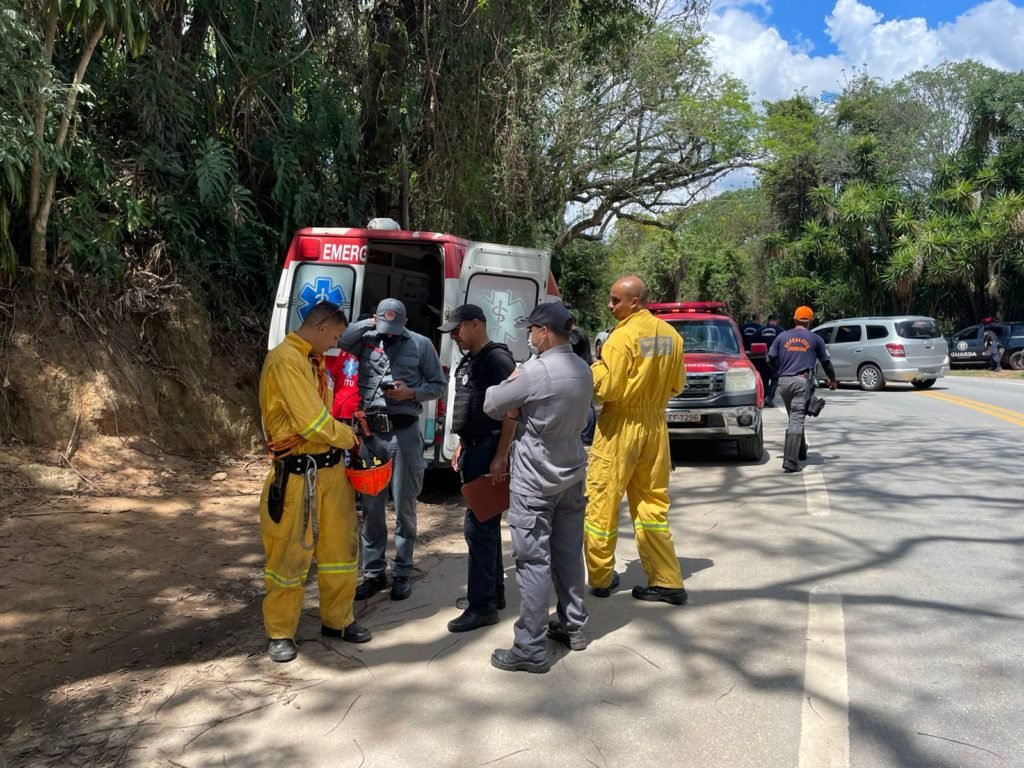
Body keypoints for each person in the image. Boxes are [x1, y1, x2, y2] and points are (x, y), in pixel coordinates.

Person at [258, 301, 371, 663]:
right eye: (336, 335)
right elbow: (311, 422)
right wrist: (348, 436)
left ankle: (337, 619)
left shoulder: (313, 360)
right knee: (288, 556)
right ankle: (280, 632)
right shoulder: (285, 360)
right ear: (322, 328)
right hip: (296, 475)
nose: (336, 343)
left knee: (340, 551)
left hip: (331, 472)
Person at [483, 302, 593, 673]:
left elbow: (492, 403)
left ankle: (530, 647)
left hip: (536, 480)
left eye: (531, 329)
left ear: (543, 332)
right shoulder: (582, 367)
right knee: (567, 553)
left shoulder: (534, 371)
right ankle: (573, 625)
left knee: (532, 561)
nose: (529, 335)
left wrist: (512, 398)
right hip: (572, 473)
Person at [584, 276, 689, 606]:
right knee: (651, 504)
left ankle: (601, 578)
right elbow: (677, 385)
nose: (610, 305)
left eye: (616, 300)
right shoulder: (671, 337)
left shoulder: (620, 338)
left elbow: (608, 390)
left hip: (620, 426)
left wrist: (593, 371)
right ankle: (667, 580)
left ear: (635, 302)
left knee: (603, 500)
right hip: (655, 427)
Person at [339, 298, 447, 601]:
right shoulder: (366, 338)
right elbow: (342, 341)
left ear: (405, 323)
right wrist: (369, 323)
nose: (388, 335)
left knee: (404, 508)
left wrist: (411, 391)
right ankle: (373, 572)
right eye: (384, 327)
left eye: (394, 328)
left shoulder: (422, 345)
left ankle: (402, 571)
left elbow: (439, 385)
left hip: (405, 434)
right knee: (371, 509)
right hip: (371, 435)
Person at [439, 304, 518, 633]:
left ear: (476, 324)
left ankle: (482, 605)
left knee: (479, 529)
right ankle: (491, 593)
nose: (454, 336)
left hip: (488, 451)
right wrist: (461, 441)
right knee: (484, 526)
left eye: (458, 329)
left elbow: (512, 409)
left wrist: (501, 454)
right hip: (474, 447)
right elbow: (473, 406)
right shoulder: (472, 359)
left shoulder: (496, 359)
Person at [767, 305, 837, 473]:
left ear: (795, 319)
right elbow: (826, 362)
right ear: (810, 321)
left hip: (784, 383)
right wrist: (833, 380)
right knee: (797, 419)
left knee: (795, 416)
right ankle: (790, 461)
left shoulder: (782, 337)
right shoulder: (815, 339)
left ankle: (800, 451)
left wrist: (780, 372)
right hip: (801, 382)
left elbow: (769, 359)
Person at [757, 314, 782, 406]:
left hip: (761, 358)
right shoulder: (780, 331)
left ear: (768, 320)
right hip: (775, 359)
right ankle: (769, 397)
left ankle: (764, 398)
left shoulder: (760, 330)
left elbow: (752, 341)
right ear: (776, 320)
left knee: (764, 378)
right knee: (775, 378)